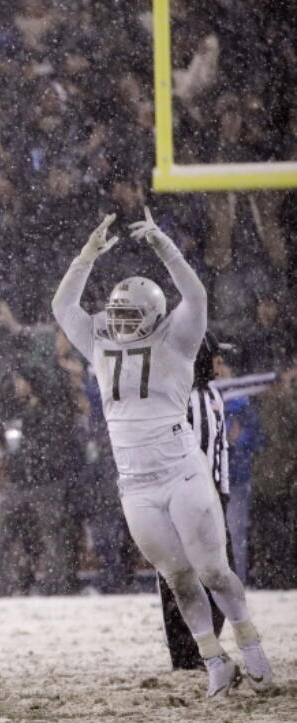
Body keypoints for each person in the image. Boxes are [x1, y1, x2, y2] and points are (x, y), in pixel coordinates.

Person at [51, 210, 273, 697]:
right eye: (118, 313)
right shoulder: (100, 342)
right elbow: (63, 304)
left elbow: (195, 296)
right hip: (135, 484)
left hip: (181, 474)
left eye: (132, 314)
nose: (121, 321)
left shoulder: (177, 339)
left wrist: (164, 246)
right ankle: (214, 660)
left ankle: (251, 643)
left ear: (152, 315)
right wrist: (86, 257)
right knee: (177, 579)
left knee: (213, 570)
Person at [158, 334, 232, 670]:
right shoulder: (186, 399)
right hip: (191, 499)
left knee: (197, 577)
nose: (222, 364)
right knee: (193, 577)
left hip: (203, 496)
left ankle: (195, 651)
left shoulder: (210, 395)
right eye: (217, 358)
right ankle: (192, 653)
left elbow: (220, 451)